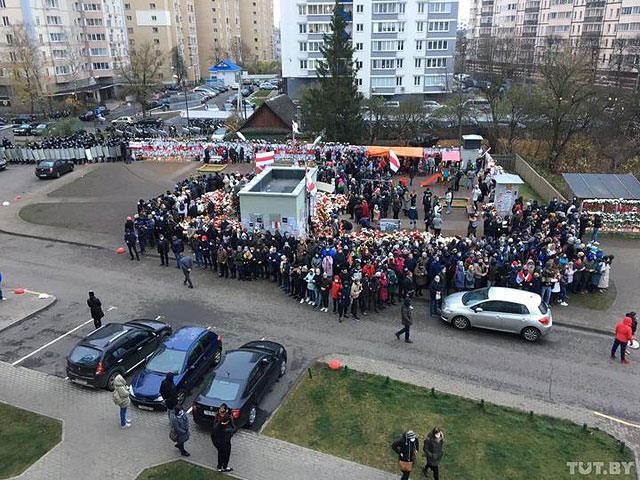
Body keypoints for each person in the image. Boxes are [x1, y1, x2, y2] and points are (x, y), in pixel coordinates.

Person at [211, 403, 236, 472]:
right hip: (219, 441)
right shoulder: (217, 423)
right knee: (221, 454)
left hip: (226, 440)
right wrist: (217, 444)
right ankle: (220, 466)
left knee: (227, 454)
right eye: (221, 412)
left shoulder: (228, 417)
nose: (222, 414)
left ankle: (225, 466)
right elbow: (213, 435)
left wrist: (229, 431)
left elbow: (234, 428)